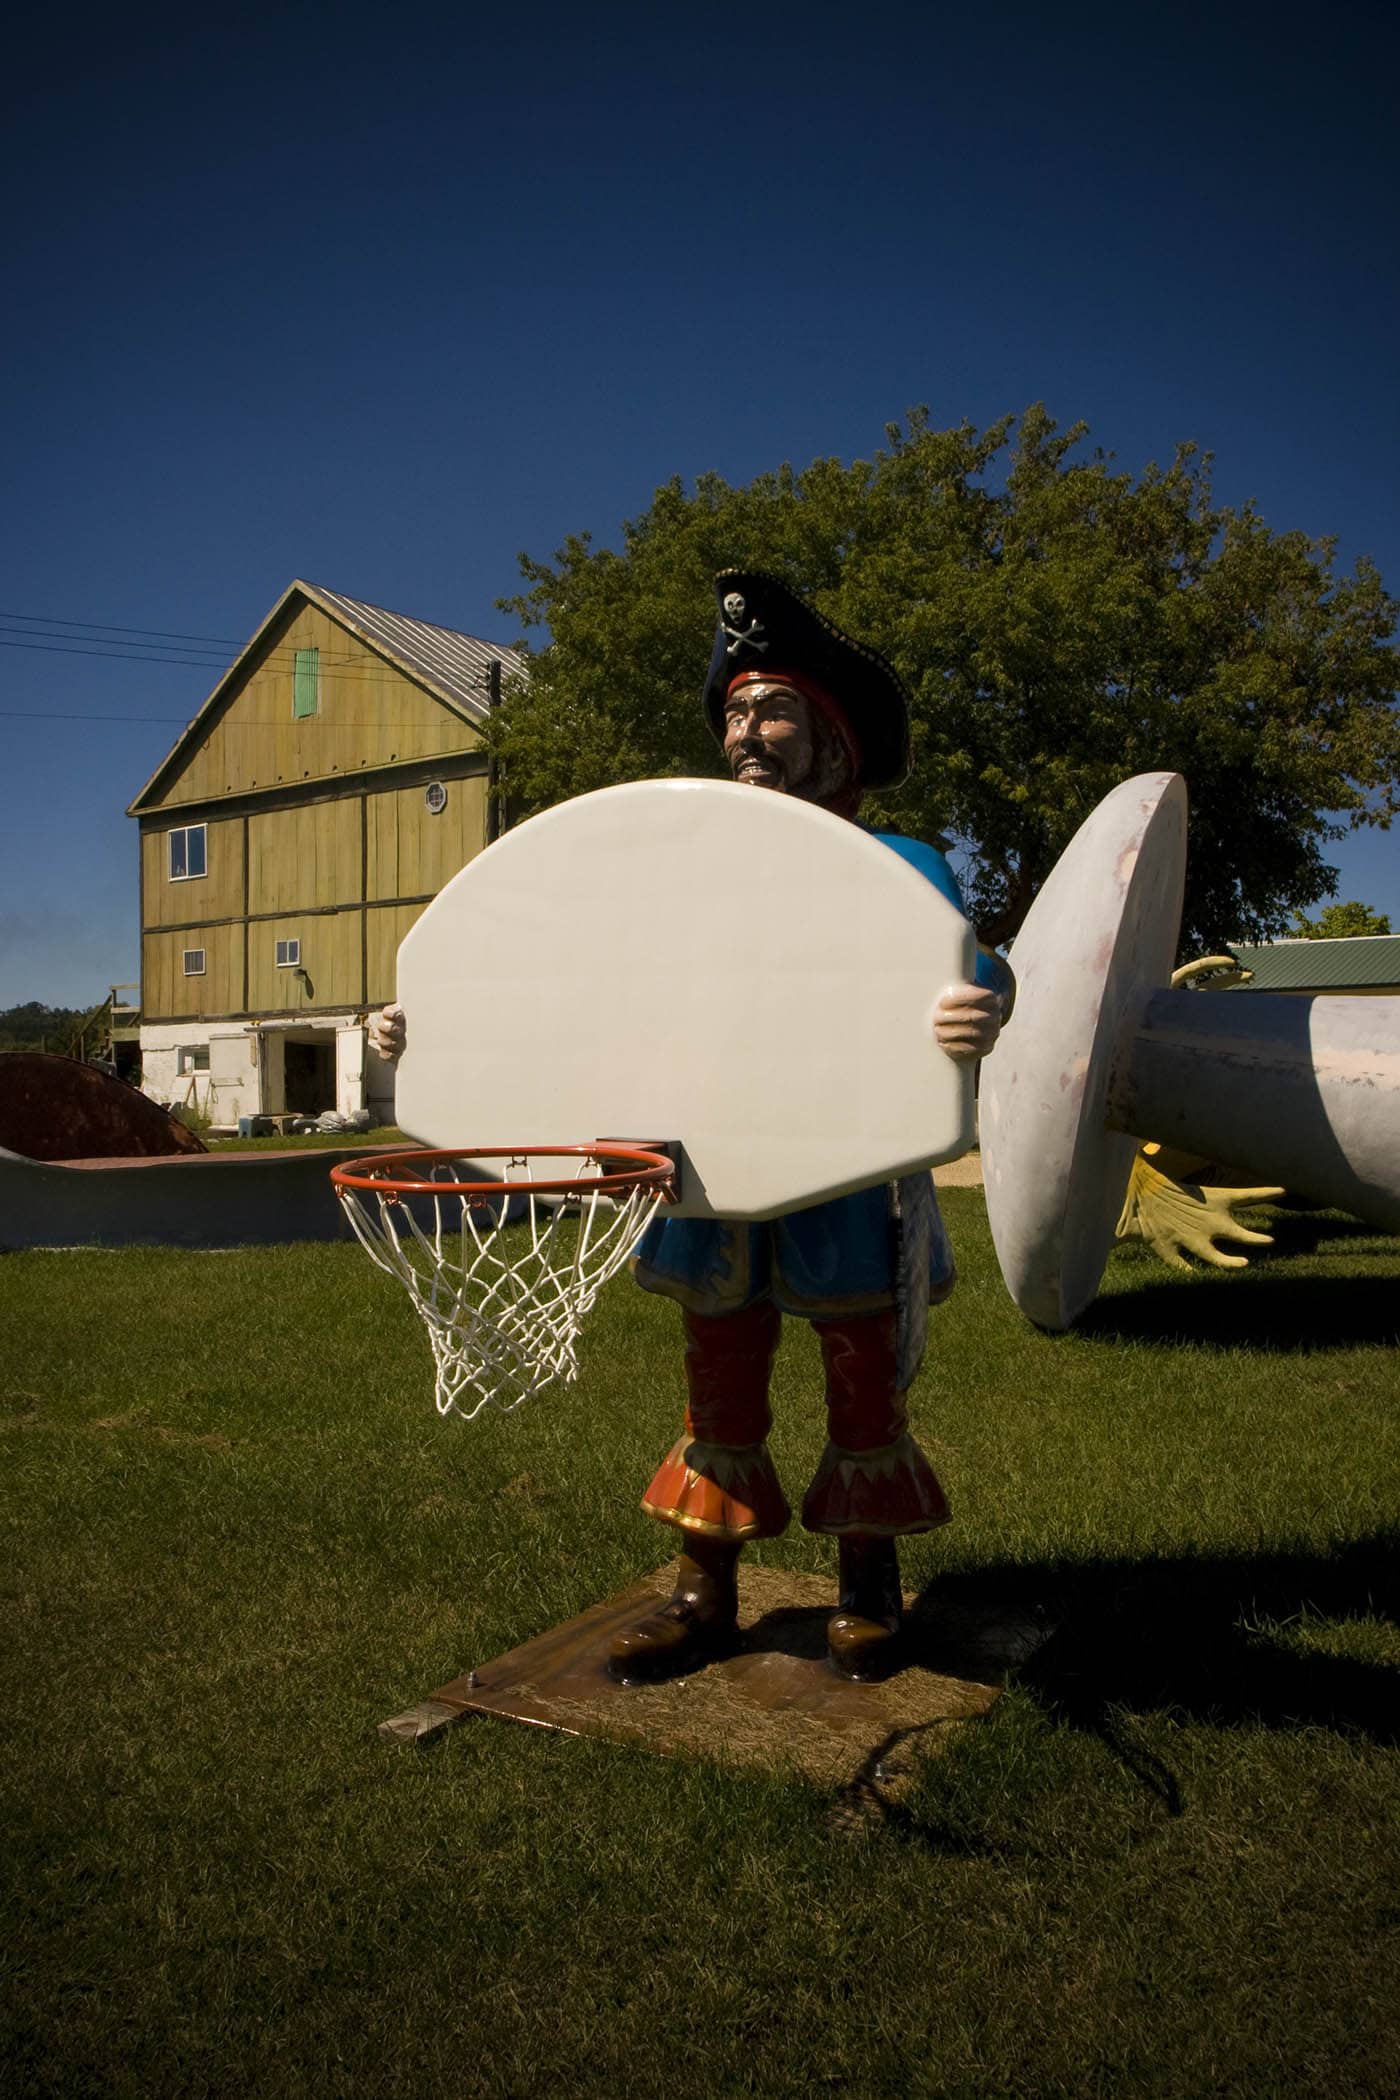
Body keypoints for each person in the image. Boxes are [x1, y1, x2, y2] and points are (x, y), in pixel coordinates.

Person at [370, 569, 1010, 1685]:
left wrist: (981, 997)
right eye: (733, 712)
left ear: (832, 738)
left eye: (769, 711)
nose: (744, 733)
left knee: (862, 1377)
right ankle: (701, 1587)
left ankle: (867, 1583)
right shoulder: (668, 866)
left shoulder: (896, 865)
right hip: (699, 1162)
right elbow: (564, 975)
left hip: (840, 1165)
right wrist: (426, 1030)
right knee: (716, 1379)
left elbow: (956, 959)